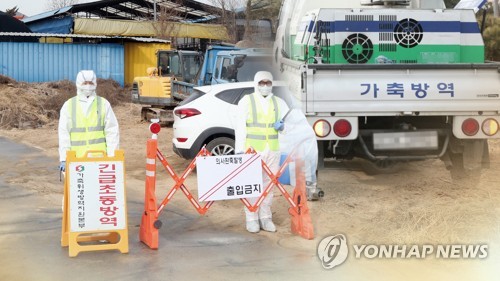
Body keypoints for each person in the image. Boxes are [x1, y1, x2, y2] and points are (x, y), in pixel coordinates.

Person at [235, 71, 289, 233]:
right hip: (253, 150)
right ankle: (251, 218)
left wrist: (283, 127)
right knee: (251, 185)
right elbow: (240, 127)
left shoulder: (279, 103)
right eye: (261, 83)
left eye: (268, 83)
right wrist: (239, 150)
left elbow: (289, 125)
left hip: (272, 150)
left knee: (269, 185)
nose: (265, 86)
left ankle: (265, 218)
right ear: (256, 83)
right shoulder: (247, 101)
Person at [58, 70, 120, 171]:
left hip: (100, 160)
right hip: (77, 161)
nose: (88, 86)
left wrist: (112, 156)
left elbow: (112, 131)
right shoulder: (68, 105)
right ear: (78, 83)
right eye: (85, 83)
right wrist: (64, 158)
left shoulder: (104, 104)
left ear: (95, 84)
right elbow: (64, 133)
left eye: (90, 83)